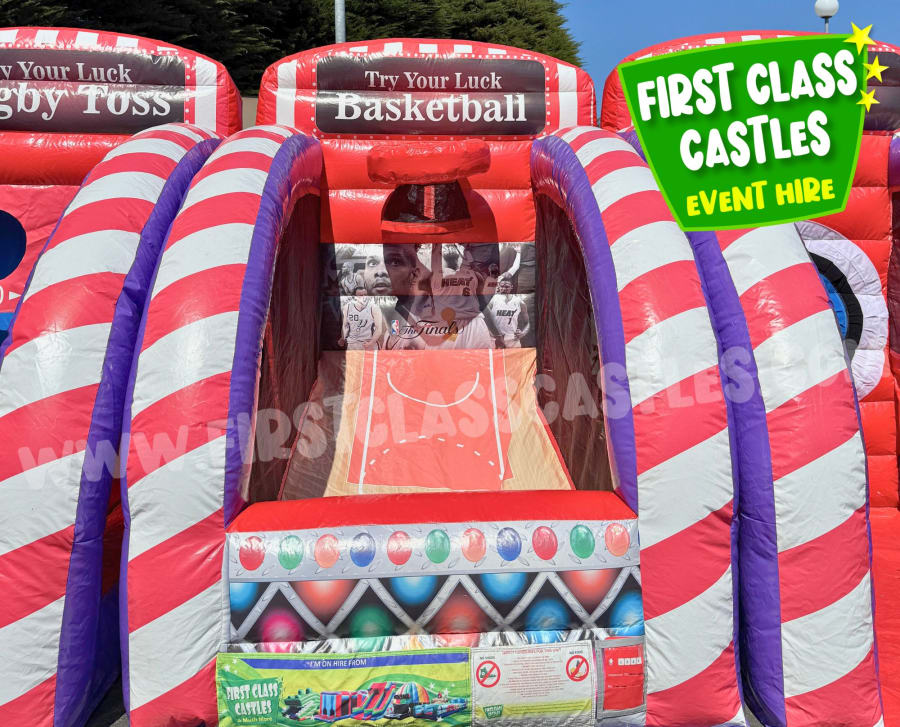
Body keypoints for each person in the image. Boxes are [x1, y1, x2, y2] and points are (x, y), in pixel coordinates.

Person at [486, 277, 530, 348]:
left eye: (506, 287)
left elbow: (527, 323)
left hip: (512, 339)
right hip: (495, 339)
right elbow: (486, 319)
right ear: (499, 286)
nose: (503, 289)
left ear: (511, 287)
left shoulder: (519, 302)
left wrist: (523, 333)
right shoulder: (493, 299)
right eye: (502, 286)